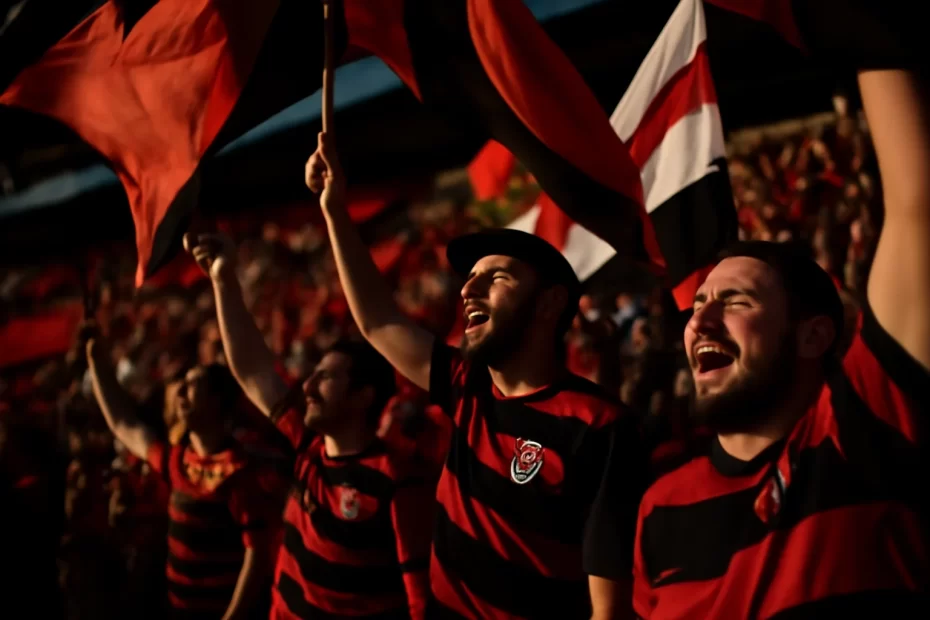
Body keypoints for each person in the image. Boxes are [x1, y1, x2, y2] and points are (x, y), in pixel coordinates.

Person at [590, 70, 930, 616]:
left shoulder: (864, 430)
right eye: (698, 304)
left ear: (814, 334)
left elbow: (918, 206)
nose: (701, 321)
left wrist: (864, 41)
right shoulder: (658, 506)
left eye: (737, 301)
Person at [302, 131, 647, 619]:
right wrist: (334, 210)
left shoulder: (602, 426)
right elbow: (378, 321)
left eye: (496, 278)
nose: (469, 290)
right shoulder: (467, 387)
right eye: (470, 279)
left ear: (549, 304)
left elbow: (607, 609)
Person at [184, 233, 436, 619]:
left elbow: (419, 598)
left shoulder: (398, 478)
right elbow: (253, 370)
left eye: (326, 377)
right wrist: (222, 280)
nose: (307, 385)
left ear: (363, 396)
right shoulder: (306, 446)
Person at [83, 326, 284, 619]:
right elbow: (123, 424)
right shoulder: (178, 461)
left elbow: (257, 555)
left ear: (216, 402)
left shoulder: (238, 471)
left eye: (193, 384)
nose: (180, 391)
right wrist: (98, 363)